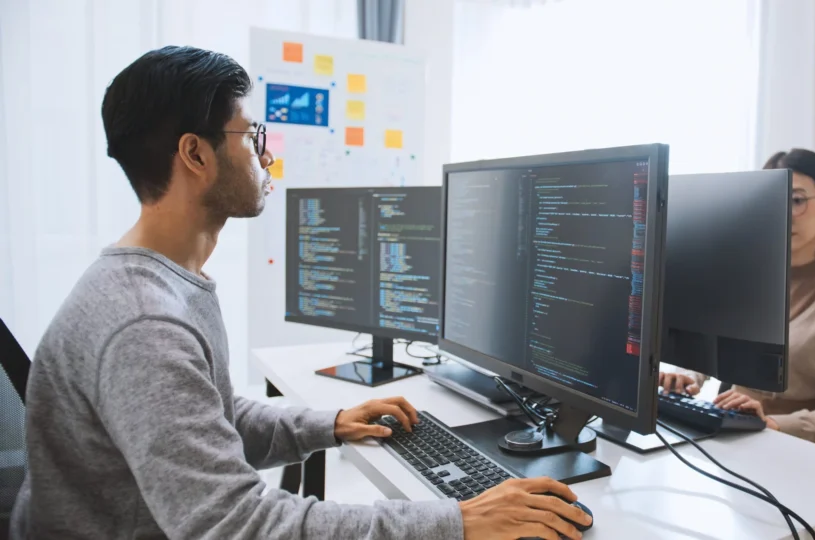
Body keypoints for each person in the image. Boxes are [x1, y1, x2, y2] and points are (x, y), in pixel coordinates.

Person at [11, 46, 590, 540]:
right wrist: (457, 521)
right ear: (195, 154)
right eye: (252, 135)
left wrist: (329, 424)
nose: (267, 155)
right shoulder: (145, 324)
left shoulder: (163, 284)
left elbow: (208, 415)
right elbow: (238, 525)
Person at [659, 149, 815, 452]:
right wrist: (685, 376)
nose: (783, 212)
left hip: (809, 449)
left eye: (797, 200)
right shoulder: (741, 274)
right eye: (772, 201)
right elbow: (709, 350)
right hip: (731, 436)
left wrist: (773, 424)